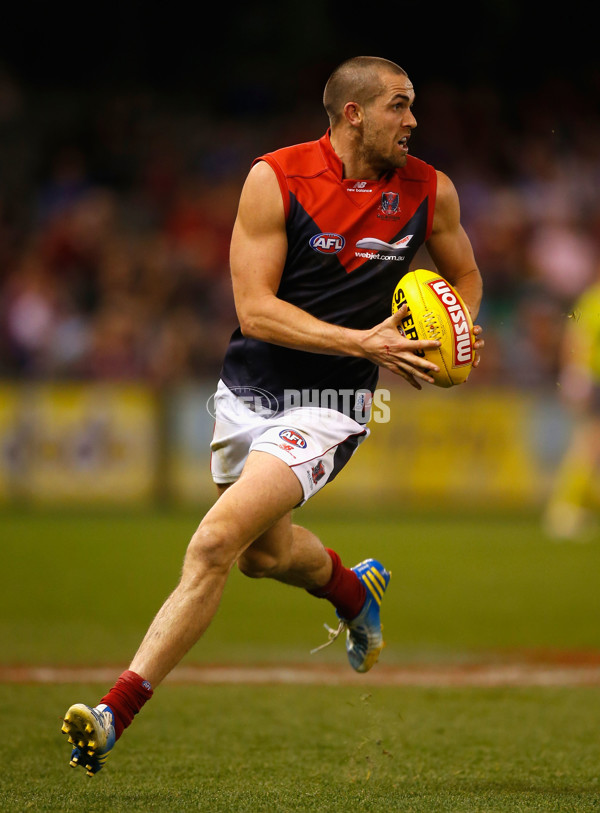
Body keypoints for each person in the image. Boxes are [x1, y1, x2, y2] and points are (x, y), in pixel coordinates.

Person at [61, 55, 484, 776]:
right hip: (250, 389)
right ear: (353, 113)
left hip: (336, 402)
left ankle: (111, 711)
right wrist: (364, 337)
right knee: (260, 555)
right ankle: (356, 589)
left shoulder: (429, 190)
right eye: (399, 106)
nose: (413, 121)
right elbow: (254, 309)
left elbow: (466, 276)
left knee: (214, 543)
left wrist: (458, 336)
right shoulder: (277, 178)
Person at [544, 272, 600, 540]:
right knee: (589, 445)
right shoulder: (594, 300)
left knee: (589, 447)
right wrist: (576, 374)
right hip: (594, 381)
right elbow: (577, 339)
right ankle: (565, 509)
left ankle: (572, 506)